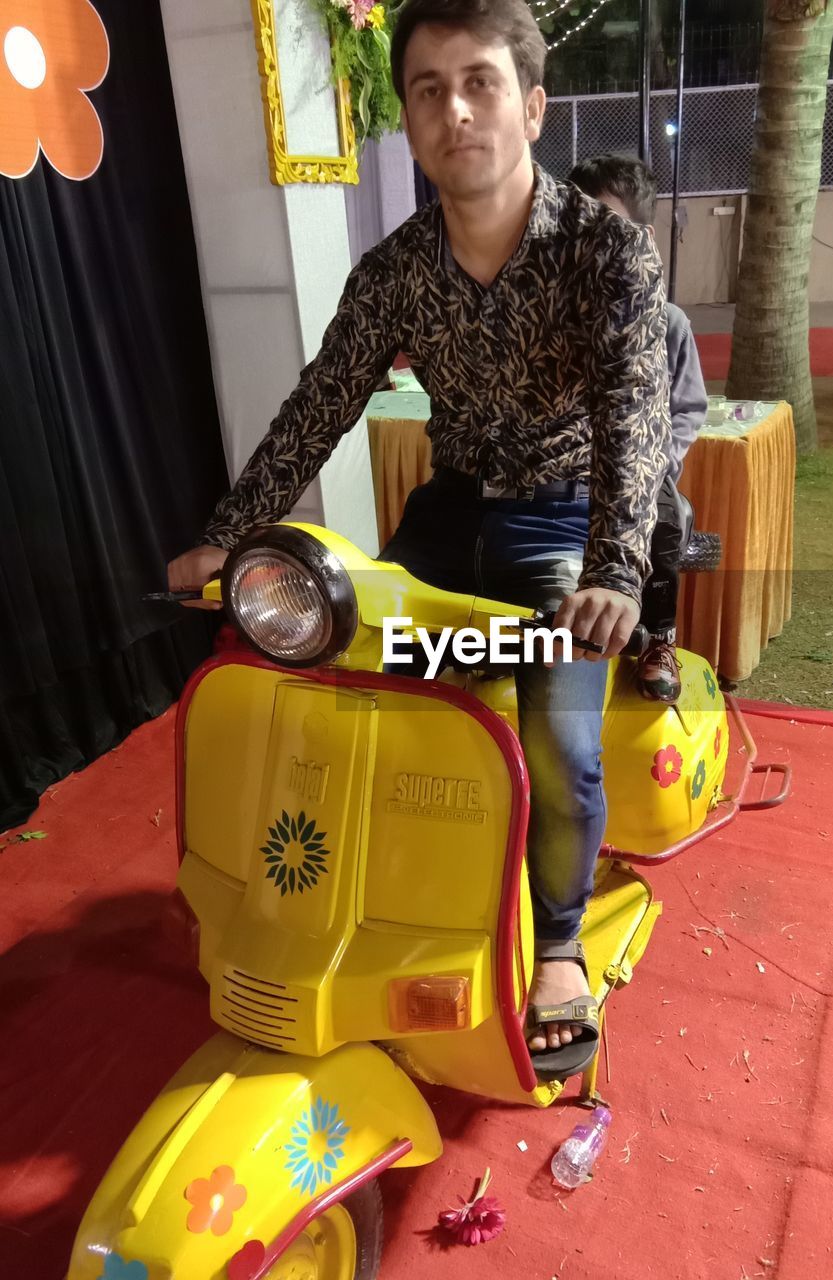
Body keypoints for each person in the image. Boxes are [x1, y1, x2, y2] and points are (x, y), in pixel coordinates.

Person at [168, 0, 671, 1080]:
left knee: (560, 740)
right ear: (407, 120)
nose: (456, 110)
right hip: (444, 521)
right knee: (347, 688)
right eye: (430, 88)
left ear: (532, 107)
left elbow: (635, 412)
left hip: (557, 524)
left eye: (481, 82)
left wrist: (617, 573)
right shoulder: (392, 270)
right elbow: (318, 403)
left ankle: (562, 944)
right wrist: (224, 535)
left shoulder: (607, 252)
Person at [569, 153, 708, 703]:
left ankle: (658, 640)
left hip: (639, 468)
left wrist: (654, 464)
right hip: (568, 467)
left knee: (667, 516)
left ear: (641, 236)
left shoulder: (669, 323)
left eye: (603, 224)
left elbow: (687, 408)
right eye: (574, 224)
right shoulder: (559, 314)